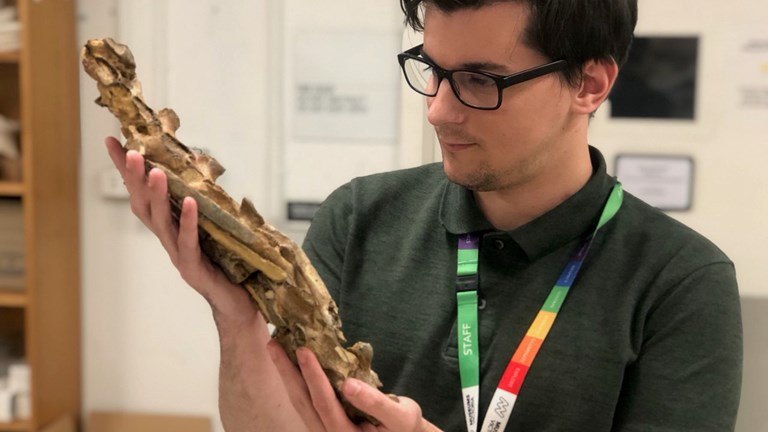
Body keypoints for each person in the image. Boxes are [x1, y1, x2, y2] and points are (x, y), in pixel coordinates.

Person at [106, 0, 743, 431]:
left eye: (478, 80)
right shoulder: (359, 216)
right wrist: (234, 314)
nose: (438, 111)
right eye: (431, 71)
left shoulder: (682, 282)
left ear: (590, 85)